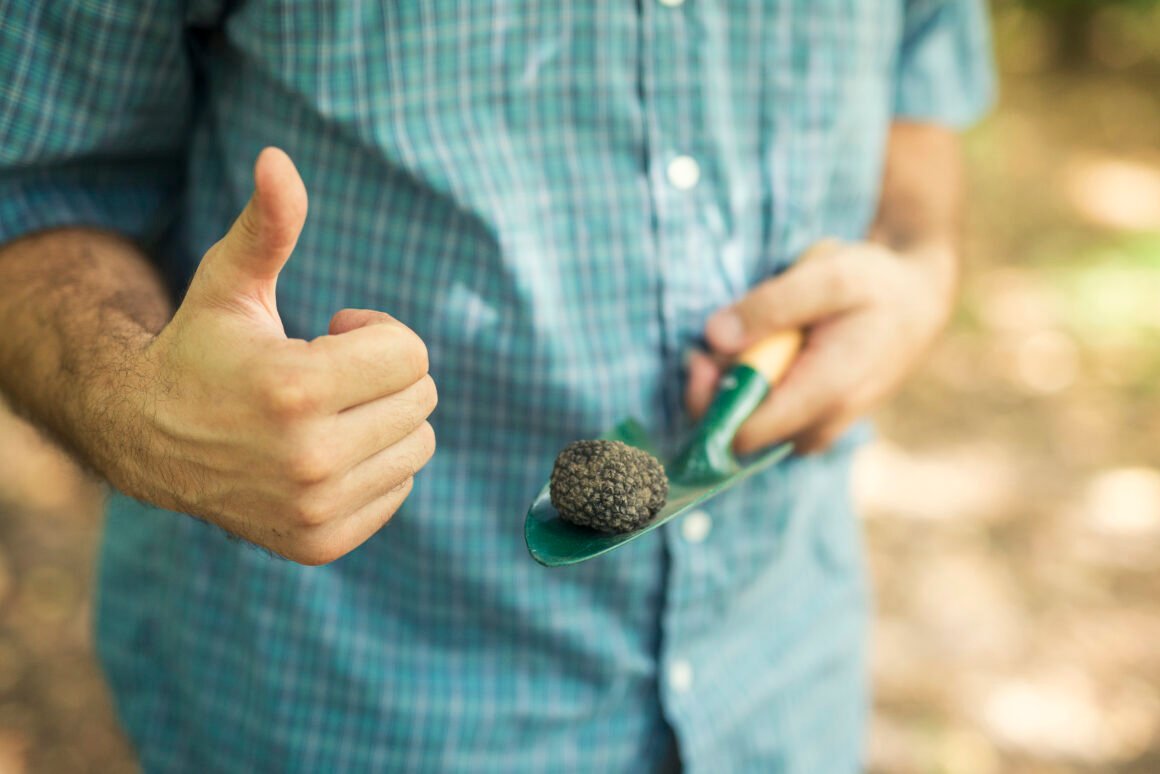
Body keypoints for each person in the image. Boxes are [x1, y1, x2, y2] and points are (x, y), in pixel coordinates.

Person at [0, 2, 994, 771]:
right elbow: (31, 184)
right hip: (352, 706)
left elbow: (920, 105)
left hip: (782, 680)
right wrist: (145, 411)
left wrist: (913, 269)